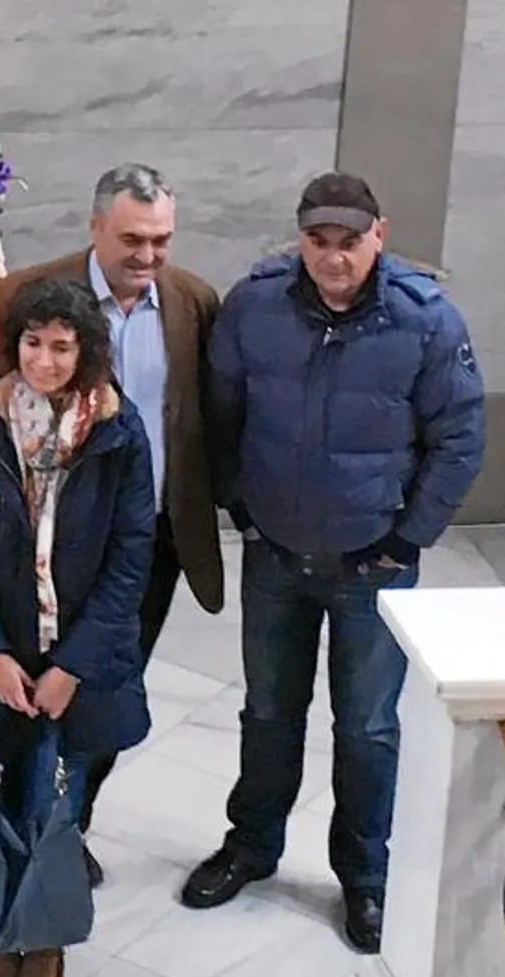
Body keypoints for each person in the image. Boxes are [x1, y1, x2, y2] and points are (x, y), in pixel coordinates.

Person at [181, 172, 486, 954]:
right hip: (276, 553)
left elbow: (459, 438)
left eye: (349, 240)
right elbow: (219, 413)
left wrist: (406, 537)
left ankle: (364, 877)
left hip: (373, 565)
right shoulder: (255, 306)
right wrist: (241, 504)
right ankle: (251, 845)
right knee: (268, 711)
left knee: (367, 727)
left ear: (378, 234)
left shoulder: (425, 321)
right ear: (300, 239)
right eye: (319, 240)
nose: (334, 256)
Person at [0, 164, 224, 884]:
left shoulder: (190, 300)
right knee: (23, 691)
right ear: (94, 227)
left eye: (162, 239)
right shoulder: (26, 297)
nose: (148, 256)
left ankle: (66, 823)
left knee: (103, 693)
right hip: (38, 544)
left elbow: (199, 415)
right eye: (133, 239)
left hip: (145, 542)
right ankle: (4, 828)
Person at [0, 275, 155, 977]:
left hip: (75, 666)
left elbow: (130, 558)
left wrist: (73, 665)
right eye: (34, 343)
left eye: (63, 347)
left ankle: (47, 944)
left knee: (58, 809)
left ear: (86, 351)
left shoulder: (120, 430)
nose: (45, 361)